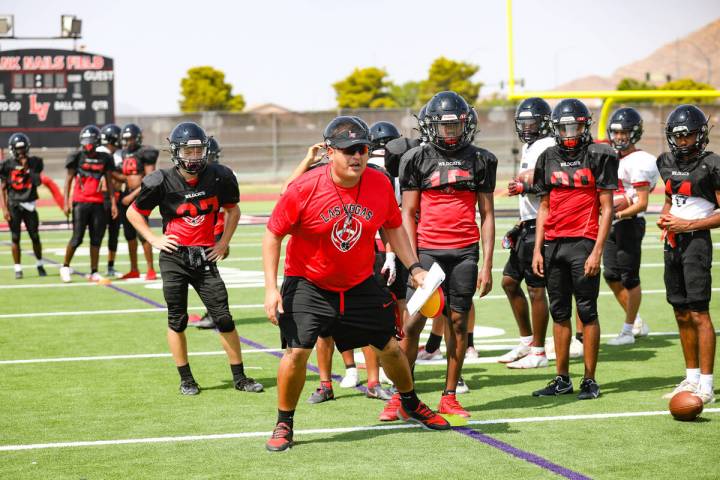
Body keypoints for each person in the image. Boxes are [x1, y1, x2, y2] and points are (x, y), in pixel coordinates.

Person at [263, 116, 450, 452]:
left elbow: (393, 227)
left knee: (390, 347)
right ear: (330, 152)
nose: (357, 156)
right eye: (349, 150)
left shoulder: (378, 183)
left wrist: (415, 268)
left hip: (359, 281)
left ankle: (409, 402)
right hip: (309, 282)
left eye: (362, 148)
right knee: (296, 353)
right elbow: (273, 234)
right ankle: (284, 423)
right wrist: (271, 288)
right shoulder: (304, 187)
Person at [127, 121, 263, 396]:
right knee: (177, 318)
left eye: (198, 151)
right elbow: (133, 212)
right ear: (176, 153)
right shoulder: (160, 180)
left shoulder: (219, 176)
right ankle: (186, 378)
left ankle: (240, 377)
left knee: (223, 318)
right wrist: (154, 239)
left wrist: (223, 242)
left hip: (204, 256)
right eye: (188, 152)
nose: (194, 157)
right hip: (174, 257)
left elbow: (233, 211)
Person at [395, 91, 496, 419]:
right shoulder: (416, 159)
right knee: (411, 325)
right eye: (443, 126)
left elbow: (488, 213)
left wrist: (488, 263)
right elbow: (407, 214)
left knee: (457, 324)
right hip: (427, 253)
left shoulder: (481, 159)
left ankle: (449, 394)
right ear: (430, 126)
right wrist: (412, 262)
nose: (449, 132)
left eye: (455, 126)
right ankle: (402, 396)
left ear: (466, 125)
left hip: (465, 252)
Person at [531, 98, 617, 400]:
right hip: (554, 244)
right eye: (564, 126)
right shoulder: (547, 156)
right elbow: (544, 206)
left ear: (585, 126)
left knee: (587, 311)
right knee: (559, 313)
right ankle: (562, 377)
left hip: (584, 242)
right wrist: (537, 249)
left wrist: (596, 250)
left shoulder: (599, 155)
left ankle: (590, 379)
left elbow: (607, 209)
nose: (569, 132)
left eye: (575, 125)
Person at [657, 104, 718, 405]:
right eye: (677, 137)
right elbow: (671, 198)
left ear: (700, 135)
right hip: (673, 241)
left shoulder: (712, 164)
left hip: (696, 242)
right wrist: (666, 217)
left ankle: (706, 384)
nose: (682, 142)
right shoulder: (665, 162)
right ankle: (691, 377)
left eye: (687, 136)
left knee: (698, 312)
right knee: (680, 311)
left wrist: (688, 224)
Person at [496, 98, 554, 369]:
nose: (527, 127)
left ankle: (539, 351)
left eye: (531, 122)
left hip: (543, 224)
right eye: (523, 123)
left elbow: (550, 183)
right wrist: (520, 222)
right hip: (527, 223)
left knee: (536, 288)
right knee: (509, 282)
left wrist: (525, 188)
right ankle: (527, 340)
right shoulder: (530, 145)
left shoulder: (549, 145)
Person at [603, 108, 659, 346]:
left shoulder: (641, 161)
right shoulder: (609, 156)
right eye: (615, 132)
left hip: (630, 223)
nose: (618, 137)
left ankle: (627, 330)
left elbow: (642, 203)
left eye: (624, 132)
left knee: (629, 278)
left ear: (635, 134)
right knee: (610, 274)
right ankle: (635, 321)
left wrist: (617, 213)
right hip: (612, 222)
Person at [60, 125, 118, 283]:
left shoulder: (105, 158)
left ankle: (94, 271)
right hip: (80, 202)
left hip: (98, 202)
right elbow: (68, 181)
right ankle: (65, 266)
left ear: (97, 141)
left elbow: (110, 183)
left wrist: (113, 203)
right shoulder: (77, 156)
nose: (88, 144)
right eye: (85, 141)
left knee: (96, 238)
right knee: (77, 238)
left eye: (90, 141)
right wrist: (65, 202)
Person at [188, 137, 232, 329]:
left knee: (208, 275)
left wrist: (224, 239)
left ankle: (215, 314)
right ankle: (214, 313)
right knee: (206, 274)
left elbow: (230, 208)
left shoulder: (218, 175)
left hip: (214, 229)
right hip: (209, 228)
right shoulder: (207, 174)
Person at [116, 123, 159, 280]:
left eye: (131, 139)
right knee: (129, 235)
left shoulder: (145, 153)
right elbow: (126, 177)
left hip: (140, 196)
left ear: (138, 138)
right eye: (126, 139)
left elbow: (149, 179)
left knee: (143, 233)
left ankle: (150, 269)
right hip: (127, 195)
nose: (128, 142)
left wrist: (132, 195)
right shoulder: (124, 154)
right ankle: (134, 268)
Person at [0, 133, 46, 279]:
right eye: (18, 149)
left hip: (29, 203)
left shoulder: (35, 162)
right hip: (14, 204)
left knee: (35, 236)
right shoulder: (7, 165)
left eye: (23, 149)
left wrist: (27, 168)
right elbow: (2, 188)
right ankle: (18, 268)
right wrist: (4, 209)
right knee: (15, 238)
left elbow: (38, 182)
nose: (21, 152)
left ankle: (39, 264)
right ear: (13, 149)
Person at [98, 124, 123, 277]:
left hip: (117, 196)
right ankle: (95, 268)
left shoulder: (119, 154)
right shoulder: (100, 153)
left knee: (114, 234)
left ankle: (110, 266)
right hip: (102, 198)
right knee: (99, 233)